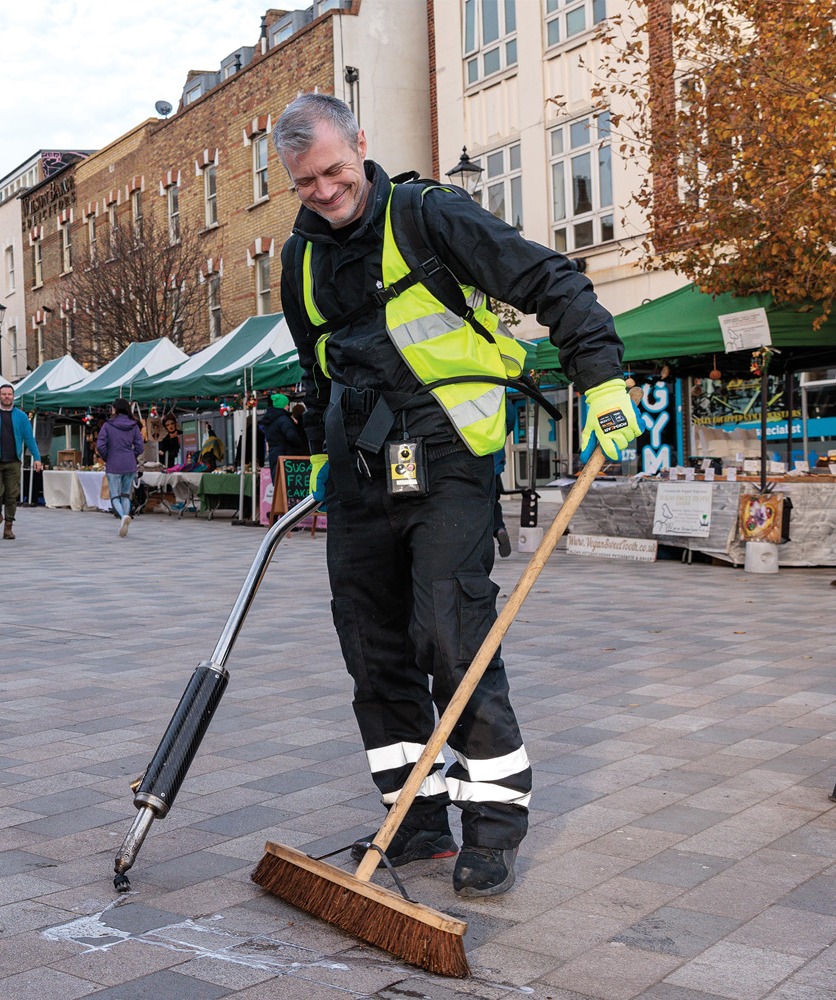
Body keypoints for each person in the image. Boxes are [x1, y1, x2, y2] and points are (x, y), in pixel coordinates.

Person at [276, 92, 641, 898]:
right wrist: (315, 450)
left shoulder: (429, 216)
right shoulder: (300, 259)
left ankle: (495, 825)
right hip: (360, 468)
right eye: (307, 184)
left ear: (360, 145)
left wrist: (604, 384)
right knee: (372, 648)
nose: (327, 193)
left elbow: (553, 281)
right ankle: (413, 818)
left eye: (336, 172)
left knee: (448, 633)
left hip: (448, 454)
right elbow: (316, 368)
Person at [0, 385, 39, 539]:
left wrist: (37, 458)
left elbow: (29, 438)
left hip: (14, 461)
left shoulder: (21, 416)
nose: (7, 397)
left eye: (9, 394)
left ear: (13, 396)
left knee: (12, 495)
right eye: (4, 394)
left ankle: (8, 526)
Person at [95, 404, 144, 536]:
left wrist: (107, 457)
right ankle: (125, 516)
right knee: (126, 495)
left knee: (115, 496)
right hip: (129, 464)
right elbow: (140, 446)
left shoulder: (108, 425)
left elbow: (100, 445)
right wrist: (131, 456)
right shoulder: (134, 425)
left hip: (114, 463)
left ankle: (122, 516)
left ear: (115, 409)